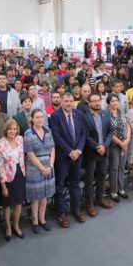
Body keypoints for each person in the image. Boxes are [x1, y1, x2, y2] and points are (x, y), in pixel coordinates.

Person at [49, 92, 86, 228]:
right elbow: (57, 137)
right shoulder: (55, 116)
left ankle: (76, 209)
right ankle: (61, 213)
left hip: (77, 156)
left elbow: (83, 134)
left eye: (71, 101)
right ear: (61, 102)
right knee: (60, 186)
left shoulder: (78, 114)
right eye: (66, 101)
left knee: (75, 184)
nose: (69, 103)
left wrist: (78, 151)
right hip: (62, 157)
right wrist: (70, 152)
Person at [23, 109, 55, 234]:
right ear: (32, 119)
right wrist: (42, 168)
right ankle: (35, 221)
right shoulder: (28, 133)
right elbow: (30, 154)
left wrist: (50, 166)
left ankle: (42, 219)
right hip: (34, 168)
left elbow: (52, 149)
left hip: (48, 166)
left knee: (44, 196)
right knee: (35, 198)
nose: (40, 119)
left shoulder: (48, 131)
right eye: (37, 117)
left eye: (42, 117)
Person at [81, 93, 113, 216]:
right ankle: (89, 203)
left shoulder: (105, 114)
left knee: (102, 175)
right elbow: (86, 135)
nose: (96, 103)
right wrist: (97, 147)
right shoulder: (85, 117)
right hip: (91, 152)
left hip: (104, 151)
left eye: (98, 100)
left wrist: (104, 146)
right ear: (89, 103)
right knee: (89, 180)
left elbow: (110, 132)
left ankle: (100, 198)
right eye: (93, 101)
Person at [0, 120, 26, 241]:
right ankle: (8, 227)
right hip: (7, 178)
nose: (12, 131)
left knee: (18, 202)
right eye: (10, 129)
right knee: (7, 205)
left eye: (14, 129)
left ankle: (16, 225)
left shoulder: (20, 141)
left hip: (20, 175)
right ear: (6, 130)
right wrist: (3, 185)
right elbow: (0, 166)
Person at [106, 93, 130, 202]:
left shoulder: (122, 112)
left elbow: (128, 126)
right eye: (112, 101)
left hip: (124, 144)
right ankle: (114, 191)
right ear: (108, 103)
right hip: (114, 145)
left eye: (116, 100)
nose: (115, 103)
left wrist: (127, 140)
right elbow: (108, 132)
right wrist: (120, 143)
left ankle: (121, 189)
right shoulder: (106, 115)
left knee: (121, 167)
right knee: (114, 168)